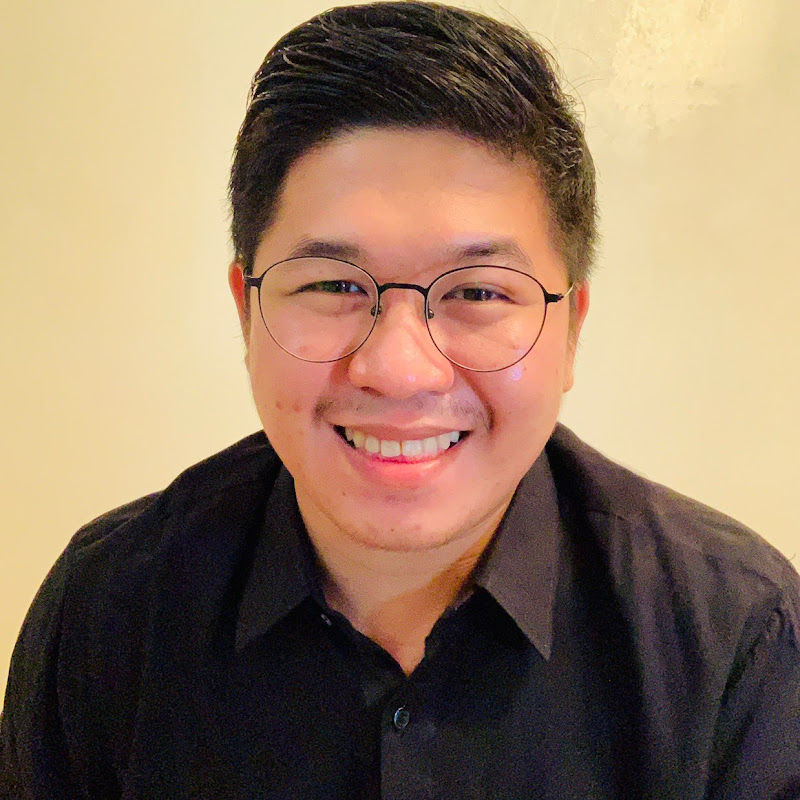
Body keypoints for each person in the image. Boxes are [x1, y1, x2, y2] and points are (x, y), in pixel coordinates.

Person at [2, 2, 798, 797]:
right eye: (334, 285)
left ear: (570, 330)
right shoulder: (109, 614)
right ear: (247, 312)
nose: (398, 369)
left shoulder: (734, 639)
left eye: (478, 292)